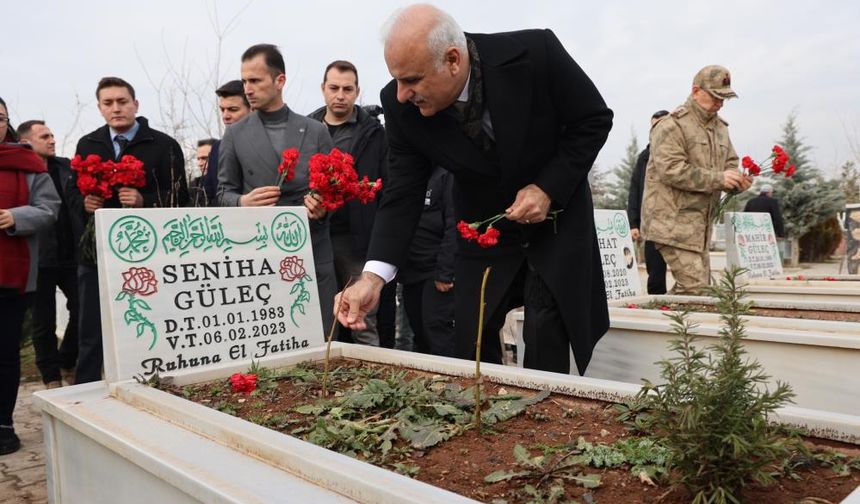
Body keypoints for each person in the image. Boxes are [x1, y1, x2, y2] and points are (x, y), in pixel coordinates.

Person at [336, 4, 613, 375]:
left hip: (555, 224)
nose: (402, 95)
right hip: (483, 231)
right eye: (397, 80)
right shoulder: (400, 108)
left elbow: (592, 120)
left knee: (546, 329)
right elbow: (403, 194)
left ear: (452, 59)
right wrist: (373, 278)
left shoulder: (536, 54)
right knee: (472, 343)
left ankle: (542, 424)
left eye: (413, 80)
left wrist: (548, 187)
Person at [68, 76, 190, 384]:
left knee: (149, 326)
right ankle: (86, 395)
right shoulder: (88, 144)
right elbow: (69, 195)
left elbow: (181, 199)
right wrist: (85, 202)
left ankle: (158, 388)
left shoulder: (163, 145)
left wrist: (144, 201)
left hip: (148, 258)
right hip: (97, 256)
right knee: (92, 332)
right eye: (108, 103)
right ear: (99, 108)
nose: (116, 108)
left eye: (122, 102)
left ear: (135, 104)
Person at [218, 44, 337, 332]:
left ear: (279, 80)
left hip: (312, 251)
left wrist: (322, 209)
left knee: (319, 338)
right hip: (260, 259)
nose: (247, 88)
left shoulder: (315, 130)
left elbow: (335, 191)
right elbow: (222, 193)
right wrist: (242, 203)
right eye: (245, 80)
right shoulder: (235, 134)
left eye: (255, 80)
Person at [641, 65, 752, 295]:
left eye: (724, 99)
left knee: (698, 293)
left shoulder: (720, 128)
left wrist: (736, 180)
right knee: (699, 291)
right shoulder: (671, 126)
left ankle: (661, 324)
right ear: (695, 91)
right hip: (672, 225)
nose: (720, 103)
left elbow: (730, 161)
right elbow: (671, 169)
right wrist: (719, 179)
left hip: (699, 229)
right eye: (715, 96)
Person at [308, 60, 391, 346]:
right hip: (316, 235)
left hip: (357, 239)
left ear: (357, 92)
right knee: (319, 315)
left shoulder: (374, 134)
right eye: (334, 88)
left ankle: (372, 382)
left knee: (361, 318)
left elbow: (387, 187)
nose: (340, 95)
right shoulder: (306, 130)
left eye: (347, 89)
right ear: (323, 89)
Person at [1, 107, 61, 454]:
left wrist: (14, 216)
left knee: (5, 353)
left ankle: (3, 424)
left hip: (11, 273)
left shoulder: (26, 163)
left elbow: (48, 207)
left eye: (0, 117)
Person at [17, 120, 79, 388]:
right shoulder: (19, 172)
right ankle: (51, 376)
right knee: (43, 322)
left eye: (53, 135)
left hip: (72, 255)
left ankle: (67, 360)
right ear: (25, 143)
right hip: (38, 257)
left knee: (83, 309)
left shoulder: (67, 168)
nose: (52, 140)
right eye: (45, 136)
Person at [398, 166, 457, 356]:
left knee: (437, 332)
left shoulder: (445, 175)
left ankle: (450, 384)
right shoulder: (408, 172)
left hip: (436, 273)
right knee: (420, 334)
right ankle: (428, 384)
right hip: (410, 273)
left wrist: (445, 271)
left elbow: (453, 224)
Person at [627, 110, 669, 294]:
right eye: (653, 126)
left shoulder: (682, 154)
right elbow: (635, 190)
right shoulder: (644, 157)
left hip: (678, 222)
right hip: (652, 223)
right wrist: (634, 223)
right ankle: (659, 306)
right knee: (655, 272)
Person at [204, 80, 252, 204]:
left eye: (233, 109)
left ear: (252, 109)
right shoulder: (216, 149)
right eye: (222, 110)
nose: (225, 116)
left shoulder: (270, 143)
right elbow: (210, 196)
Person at [189, 138, 216, 206]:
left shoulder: (232, 184)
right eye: (198, 159)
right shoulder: (195, 186)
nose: (200, 164)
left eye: (205, 158)